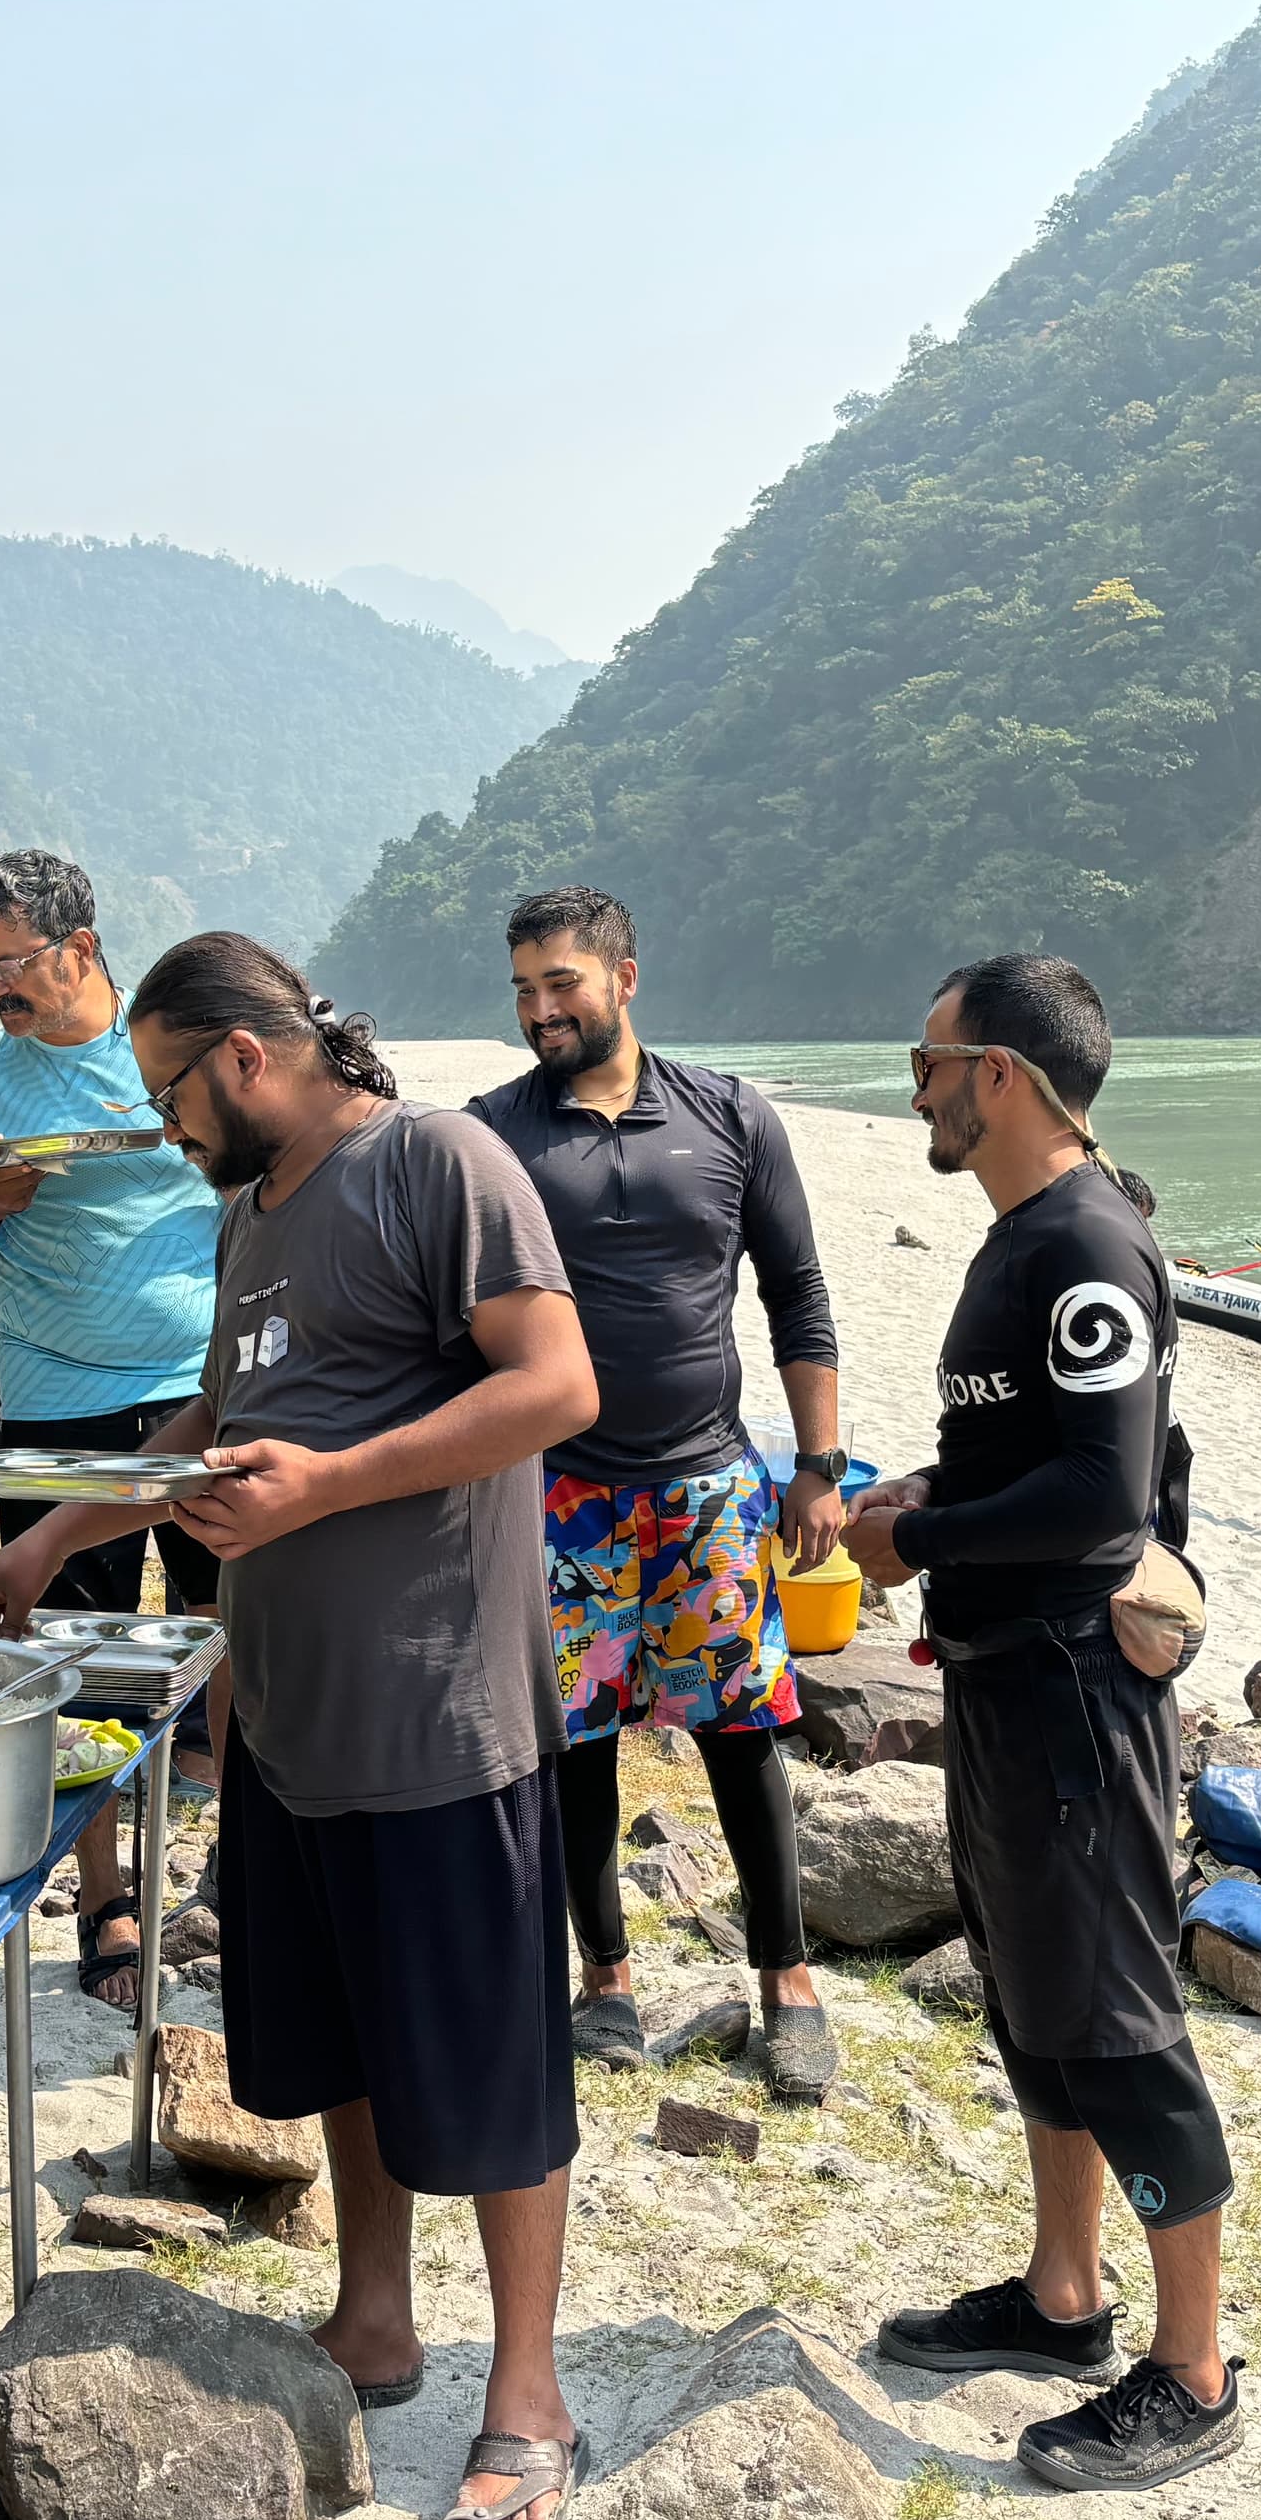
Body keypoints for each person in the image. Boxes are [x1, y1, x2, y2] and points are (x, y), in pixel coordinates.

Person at [0, 933, 599, 2520]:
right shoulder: (250, 1213)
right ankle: (373, 2315)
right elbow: (200, 1430)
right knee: (351, 2050)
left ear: (245, 1057)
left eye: (169, 1093)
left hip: (443, 1718)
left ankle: (526, 2397)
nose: (163, 1127)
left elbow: (555, 1386)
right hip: (295, 1725)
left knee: (489, 2065)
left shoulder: (437, 1163)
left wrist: (324, 1488)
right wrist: (44, 1542)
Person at [847, 955, 1241, 2497]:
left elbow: (1102, 1496)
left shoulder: (1082, 1243)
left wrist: (915, 1547)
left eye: (930, 1057)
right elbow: (1031, 1454)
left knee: (1118, 2017)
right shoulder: (1029, 1235)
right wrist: (931, 1496)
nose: (919, 1086)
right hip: (1011, 1676)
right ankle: (1066, 2295)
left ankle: (1194, 2370)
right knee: (1035, 1995)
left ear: (999, 1072)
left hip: (1076, 1686)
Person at [464, 887, 847, 2099]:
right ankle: (607, 1981)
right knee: (575, 1743)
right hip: (558, 1491)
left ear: (625, 979)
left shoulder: (732, 1116)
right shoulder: (492, 1136)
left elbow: (797, 1292)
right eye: (523, 989)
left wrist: (820, 1465)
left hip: (709, 1485)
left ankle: (789, 1983)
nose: (539, 1010)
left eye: (560, 984)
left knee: (743, 1733)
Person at [0, 851, 225, 2007]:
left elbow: (247, 1184)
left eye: (12, 964)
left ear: (80, 950)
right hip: (48, 1388)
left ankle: (233, 1876)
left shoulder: (159, 1053)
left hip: (197, 1379)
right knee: (72, 1644)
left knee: (220, 1625)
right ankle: (106, 1900)